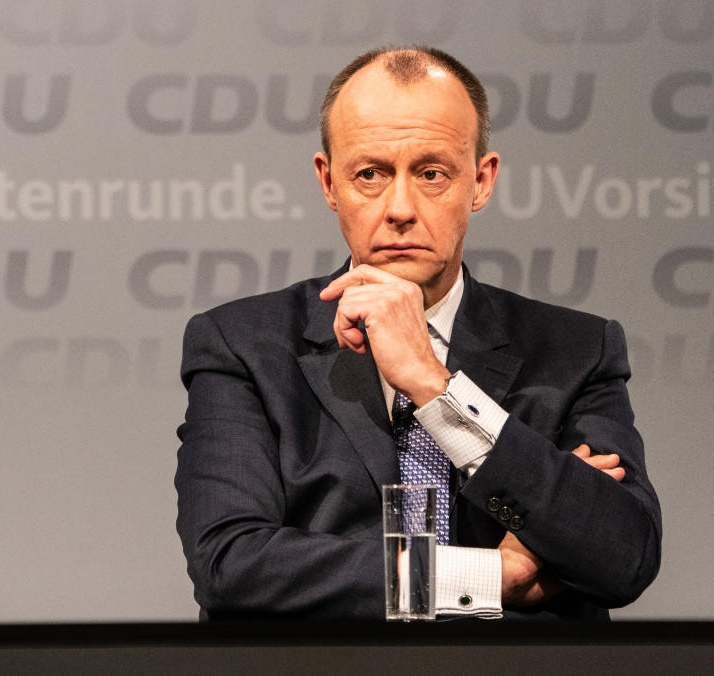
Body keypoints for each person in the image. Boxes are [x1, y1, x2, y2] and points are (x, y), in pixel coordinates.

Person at [175, 45, 661, 621]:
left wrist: (434, 386)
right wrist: (487, 577)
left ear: (480, 182)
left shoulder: (576, 350)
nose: (400, 207)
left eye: (431, 174)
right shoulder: (243, 344)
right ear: (329, 182)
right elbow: (232, 566)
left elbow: (624, 556)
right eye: (370, 174)